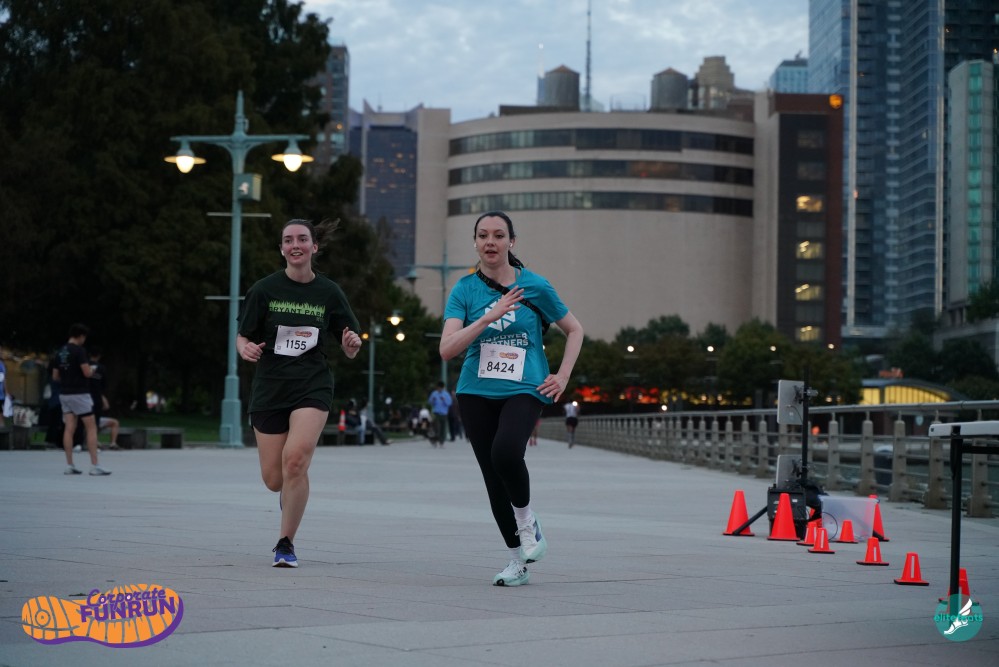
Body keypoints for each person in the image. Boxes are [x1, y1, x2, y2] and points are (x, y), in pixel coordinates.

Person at [440, 210, 583, 587]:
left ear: (511, 242)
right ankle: (516, 560)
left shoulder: (535, 285)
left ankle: (527, 521)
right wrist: (488, 317)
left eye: (499, 235)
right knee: (492, 477)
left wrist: (562, 376)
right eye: (483, 235)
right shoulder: (464, 290)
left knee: (505, 453)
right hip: (475, 390)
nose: (490, 242)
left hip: (525, 386)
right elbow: (447, 349)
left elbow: (574, 329)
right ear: (475, 243)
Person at [237, 218, 362, 568]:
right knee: (274, 479)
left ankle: (285, 543)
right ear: (281, 248)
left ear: (314, 247)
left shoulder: (329, 292)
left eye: (302, 239)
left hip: (312, 384)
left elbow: (350, 342)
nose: (296, 245)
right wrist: (244, 348)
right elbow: (243, 335)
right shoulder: (264, 290)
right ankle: (290, 494)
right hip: (270, 387)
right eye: (289, 240)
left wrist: (351, 345)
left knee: (295, 460)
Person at [54, 324, 110, 476]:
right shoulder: (79, 351)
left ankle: (69, 465)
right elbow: (86, 372)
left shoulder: (60, 351)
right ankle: (95, 465)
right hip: (79, 393)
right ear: (81, 336)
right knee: (91, 427)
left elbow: (55, 376)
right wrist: (92, 370)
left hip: (64, 394)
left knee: (69, 428)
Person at [428, 381, 452, 447]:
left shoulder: (446, 394)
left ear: (442, 388)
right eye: (438, 388)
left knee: (442, 428)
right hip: (436, 413)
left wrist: (444, 400)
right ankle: (435, 440)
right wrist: (432, 400)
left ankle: (441, 441)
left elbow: (449, 403)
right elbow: (430, 402)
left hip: (444, 413)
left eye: (440, 388)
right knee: (436, 427)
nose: (439, 389)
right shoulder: (434, 393)